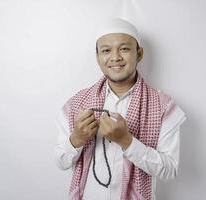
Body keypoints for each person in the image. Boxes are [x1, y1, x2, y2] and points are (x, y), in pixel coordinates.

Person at [55, 18, 186, 200]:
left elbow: (169, 170)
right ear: (98, 57)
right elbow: (61, 162)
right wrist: (77, 138)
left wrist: (126, 141)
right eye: (106, 50)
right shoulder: (76, 105)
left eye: (124, 49)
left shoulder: (163, 106)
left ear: (139, 54)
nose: (115, 57)